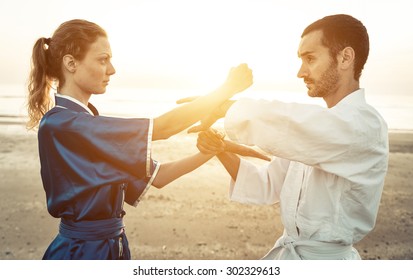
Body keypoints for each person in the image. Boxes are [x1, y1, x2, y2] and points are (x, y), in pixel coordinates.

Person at [26, 19, 259, 260]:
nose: (112, 69)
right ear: (71, 63)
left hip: (112, 247)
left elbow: (159, 177)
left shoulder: (87, 124)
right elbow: (164, 128)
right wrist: (226, 90)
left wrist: (210, 151)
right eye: (103, 59)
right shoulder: (63, 125)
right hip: (81, 253)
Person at [195, 14, 389, 259]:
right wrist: (220, 148)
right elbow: (266, 184)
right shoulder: (313, 131)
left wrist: (225, 107)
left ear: (345, 58)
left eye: (310, 58)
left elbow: (292, 122)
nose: (300, 72)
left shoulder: (365, 125)